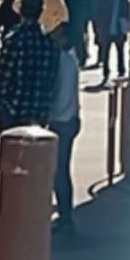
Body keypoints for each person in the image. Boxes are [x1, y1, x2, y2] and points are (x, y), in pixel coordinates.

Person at [0, 0, 59, 132]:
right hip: (40, 109)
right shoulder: (50, 43)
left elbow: (3, 77)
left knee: (12, 151)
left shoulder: (14, 40)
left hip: (13, 109)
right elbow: (52, 78)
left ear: (20, 11)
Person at [47, 22, 82, 233]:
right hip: (71, 119)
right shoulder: (71, 59)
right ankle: (64, 213)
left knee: (59, 171)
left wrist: (49, 114)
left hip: (62, 121)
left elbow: (61, 95)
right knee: (61, 170)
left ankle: (65, 216)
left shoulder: (63, 61)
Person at [94, 0, 130, 82]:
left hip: (118, 27)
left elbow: (128, 8)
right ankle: (106, 72)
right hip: (107, 28)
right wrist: (99, 27)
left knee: (120, 50)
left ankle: (121, 71)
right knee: (106, 51)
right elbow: (98, 13)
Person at [66, 0, 94, 68]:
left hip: (78, 23)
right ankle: (81, 58)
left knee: (80, 42)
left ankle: (81, 58)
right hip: (77, 23)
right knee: (80, 42)